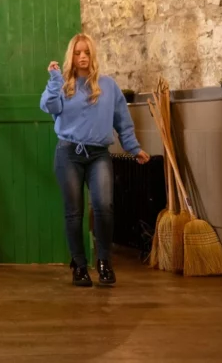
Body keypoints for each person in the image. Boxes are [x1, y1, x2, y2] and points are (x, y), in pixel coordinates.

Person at [40, 33, 150, 287]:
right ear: (71, 56)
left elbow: (122, 120)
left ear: (92, 55)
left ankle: (104, 262)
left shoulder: (108, 86)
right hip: (69, 153)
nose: (82, 57)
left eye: (86, 52)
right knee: (74, 212)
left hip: (99, 154)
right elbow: (49, 107)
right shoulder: (63, 85)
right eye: (78, 52)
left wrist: (134, 149)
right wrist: (54, 81)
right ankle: (79, 264)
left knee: (104, 206)